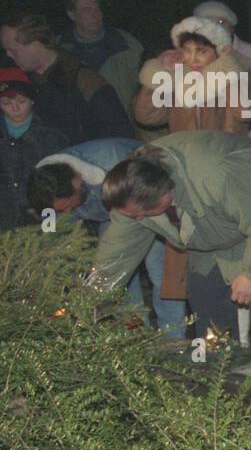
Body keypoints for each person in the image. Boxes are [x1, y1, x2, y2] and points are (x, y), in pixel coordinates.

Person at [93, 132, 251, 357]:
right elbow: (117, 250)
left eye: (143, 214)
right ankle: (218, 366)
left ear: (165, 195)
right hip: (212, 228)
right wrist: (90, 299)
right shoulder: (132, 193)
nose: (139, 219)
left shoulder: (219, 177)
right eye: (134, 215)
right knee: (205, 296)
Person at [28, 138, 187, 337]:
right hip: (109, 215)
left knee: (160, 270)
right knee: (116, 277)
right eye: (61, 210)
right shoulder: (46, 189)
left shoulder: (114, 162)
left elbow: (148, 192)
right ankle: (135, 335)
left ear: (78, 182)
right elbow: (53, 236)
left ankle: (173, 338)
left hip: (146, 207)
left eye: (69, 205)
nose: (68, 212)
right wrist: (65, 271)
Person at [1, 14, 133, 144]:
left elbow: (120, 133)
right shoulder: (16, 82)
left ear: (35, 45)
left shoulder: (85, 80)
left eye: (13, 50)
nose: (8, 55)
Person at [133, 16, 251, 135]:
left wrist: (228, 75)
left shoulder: (239, 74)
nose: (193, 59)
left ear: (219, 51)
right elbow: (147, 117)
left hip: (227, 151)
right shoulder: (177, 78)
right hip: (187, 152)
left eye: (202, 51)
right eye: (187, 50)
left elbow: (247, 112)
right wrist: (159, 74)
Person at [0, 68, 69, 231]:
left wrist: (50, 228)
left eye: (21, 101)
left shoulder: (52, 137)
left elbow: (59, 187)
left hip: (43, 216)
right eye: (6, 103)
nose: (15, 109)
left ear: (32, 100)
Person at [59, 0, 143, 113]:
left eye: (97, 9)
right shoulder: (60, 49)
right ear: (72, 15)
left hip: (121, 124)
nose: (96, 15)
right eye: (87, 10)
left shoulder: (125, 44)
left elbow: (146, 84)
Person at [192, 1, 251, 85]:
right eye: (208, 22)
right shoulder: (190, 58)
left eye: (221, 22)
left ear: (232, 27)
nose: (215, 28)